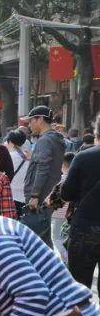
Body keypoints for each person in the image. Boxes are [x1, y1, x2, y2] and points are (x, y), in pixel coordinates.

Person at [62, 116, 100, 293]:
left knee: (79, 285)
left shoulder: (83, 157)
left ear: (95, 133)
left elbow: (67, 193)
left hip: (86, 227)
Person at [21, 105, 65, 246]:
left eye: (31, 121)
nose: (29, 125)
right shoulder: (56, 138)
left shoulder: (45, 140)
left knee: (37, 241)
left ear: (40, 119)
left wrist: (34, 196)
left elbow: (43, 169)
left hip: (41, 198)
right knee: (44, 237)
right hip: (51, 194)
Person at [47, 153, 74, 263]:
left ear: (63, 165)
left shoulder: (61, 180)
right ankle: (66, 259)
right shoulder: (77, 179)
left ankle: (67, 260)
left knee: (57, 239)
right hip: (70, 215)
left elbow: (52, 200)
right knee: (65, 239)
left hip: (58, 215)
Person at [7, 127, 32, 215]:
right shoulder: (30, 157)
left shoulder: (8, 157)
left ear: (9, 142)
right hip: (26, 197)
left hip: (10, 197)